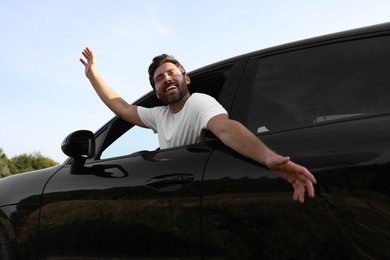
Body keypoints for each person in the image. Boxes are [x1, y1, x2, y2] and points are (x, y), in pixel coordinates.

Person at [80, 47, 317, 203]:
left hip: (199, 193)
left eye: (172, 73)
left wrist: (268, 158)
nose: (167, 79)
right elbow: (121, 108)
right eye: (159, 78)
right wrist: (93, 75)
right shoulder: (159, 116)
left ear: (186, 79)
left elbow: (226, 129)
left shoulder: (198, 103)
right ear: (157, 92)